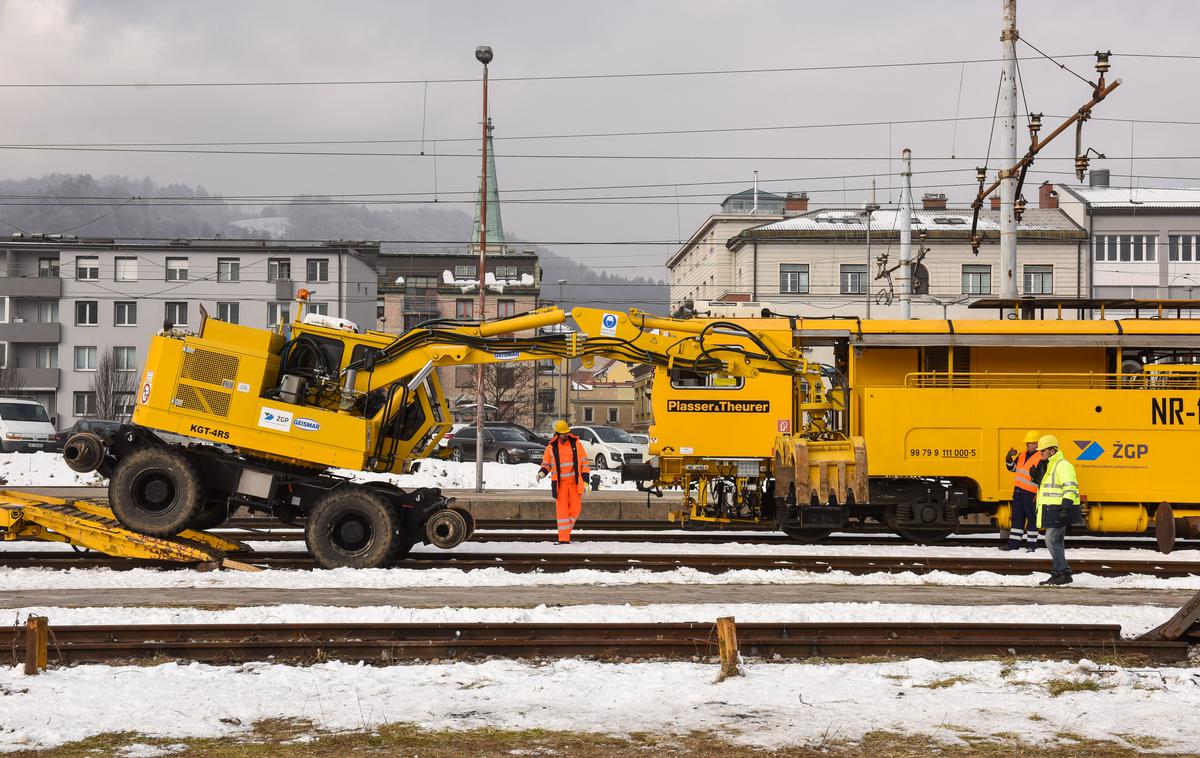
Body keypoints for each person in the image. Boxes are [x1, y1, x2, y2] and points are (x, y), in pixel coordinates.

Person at [1030, 434, 1081, 586]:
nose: (1040, 454)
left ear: (1052, 451)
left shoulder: (1063, 465)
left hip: (1060, 509)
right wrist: (1036, 478)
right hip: (1053, 509)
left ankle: (1062, 571)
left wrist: (1065, 507)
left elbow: (1070, 486)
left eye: (1043, 451)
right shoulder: (1050, 465)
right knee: (1057, 541)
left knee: (1051, 539)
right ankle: (1061, 573)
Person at [536, 420, 590, 544]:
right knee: (562, 513)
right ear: (558, 434)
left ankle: (566, 533)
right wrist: (542, 473)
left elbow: (584, 464)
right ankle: (564, 538)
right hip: (560, 485)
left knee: (576, 510)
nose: (565, 435)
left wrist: (586, 482)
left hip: (574, 484)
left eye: (567, 433)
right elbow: (546, 464)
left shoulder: (576, 445)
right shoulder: (551, 448)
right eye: (563, 434)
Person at [1001, 431, 1043, 552]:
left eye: (1029, 443)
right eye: (1027, 443)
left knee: (1032, 519)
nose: (1027, 445)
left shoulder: (1041, 457)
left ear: (1036, 444)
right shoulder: (1022, 454)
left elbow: (1043, 478)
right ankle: (1013, 545)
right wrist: (1008, 458)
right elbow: (1013, 468)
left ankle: (1031, 545)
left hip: (1031, 493)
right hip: (1019, 492)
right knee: (1017, 519)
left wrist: (1037, 494)